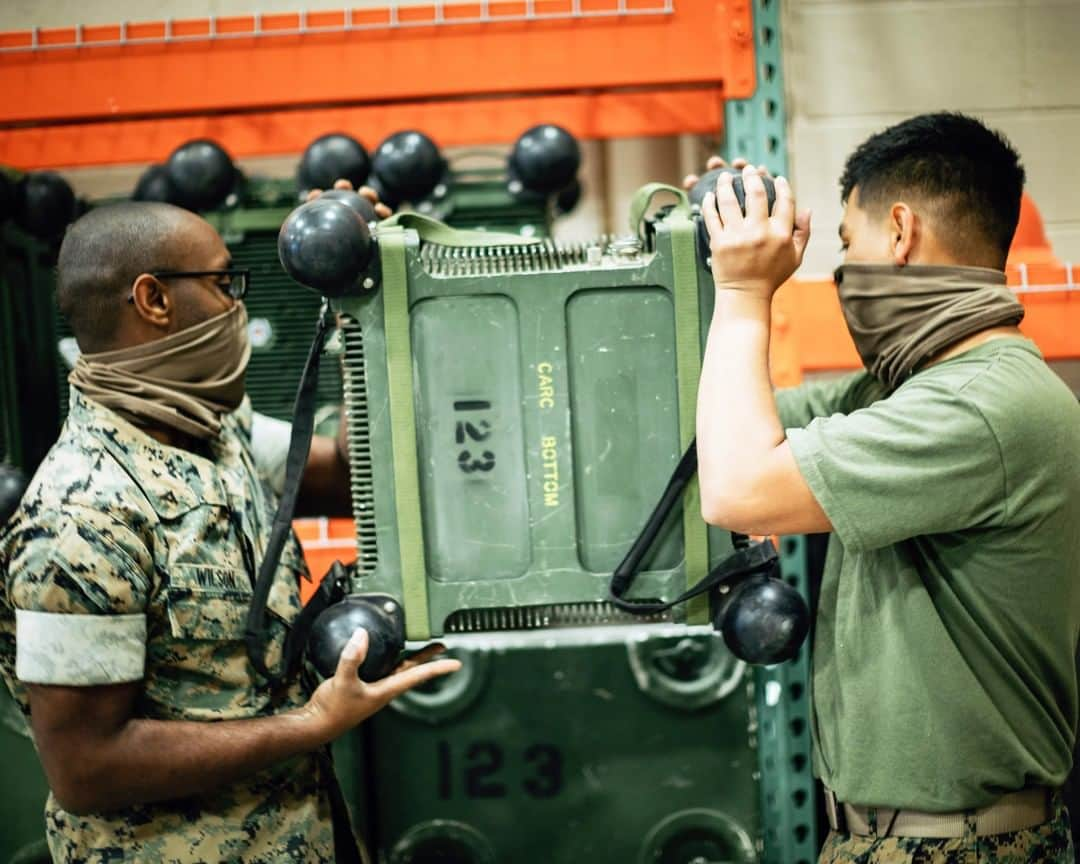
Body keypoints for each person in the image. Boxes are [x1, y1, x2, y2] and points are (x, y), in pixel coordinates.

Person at [0, 193, 461, 863]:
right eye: (223, 284)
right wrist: (308, 725)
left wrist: (364, 300)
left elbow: (361, 469)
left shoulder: (215, 437)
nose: (235, 306)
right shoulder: (82, 515)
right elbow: (86, 767)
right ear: (154, 299)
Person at [689, 112, 1080, 862]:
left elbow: (739, 487)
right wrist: (689, 256)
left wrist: (743, 290)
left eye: (846, 243)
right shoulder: (899, 395)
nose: (841, 271)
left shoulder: (982, 406)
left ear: (899, 232)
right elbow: (716, 439)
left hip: (959, 849)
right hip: (897, 840)